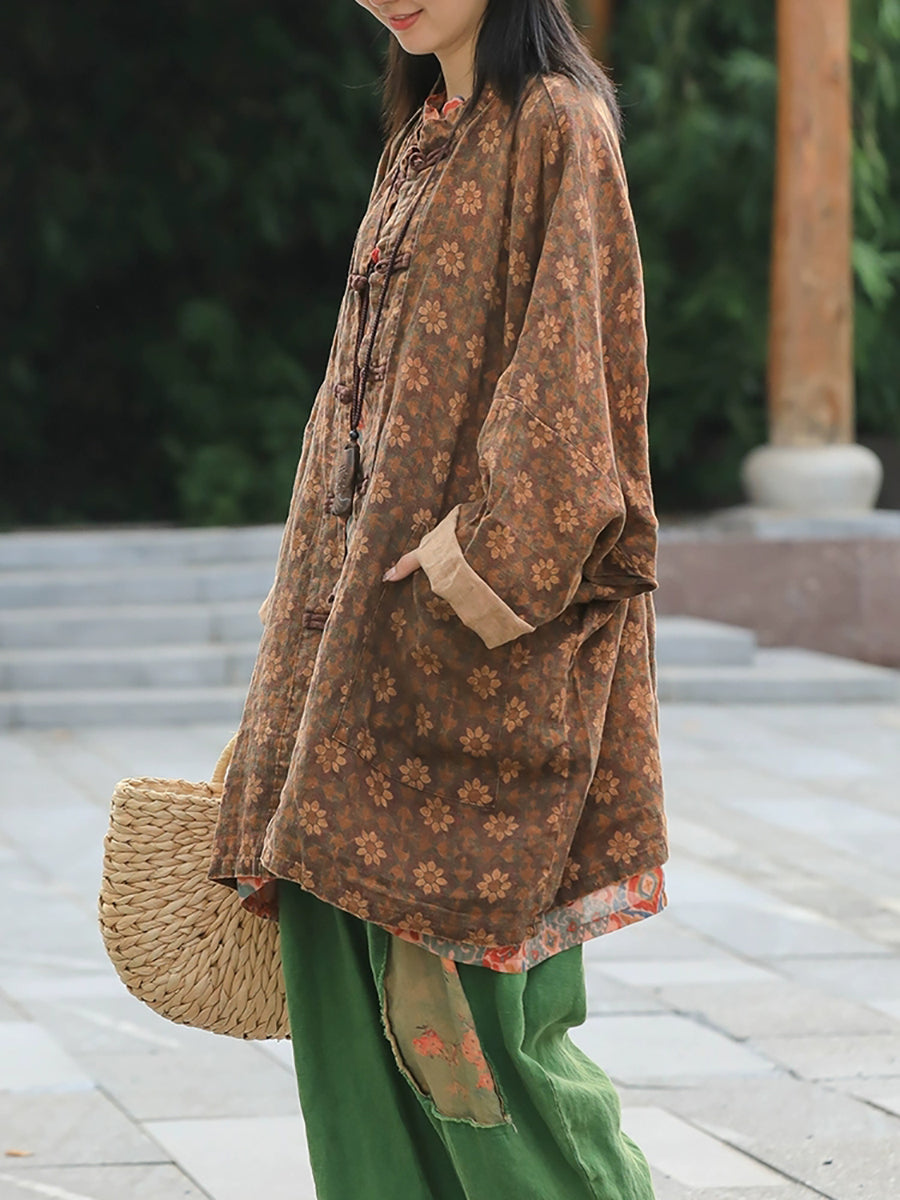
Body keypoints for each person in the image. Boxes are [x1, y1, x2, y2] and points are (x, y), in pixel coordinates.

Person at [207, 1, 668, 1196]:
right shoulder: (422, 130)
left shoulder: (556, 121)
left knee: (475, 1047)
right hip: (357, 647)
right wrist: (304, 631)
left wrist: (478, 561)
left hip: (470, 653)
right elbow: (349, 410)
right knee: (346, 1029)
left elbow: (579, 385)